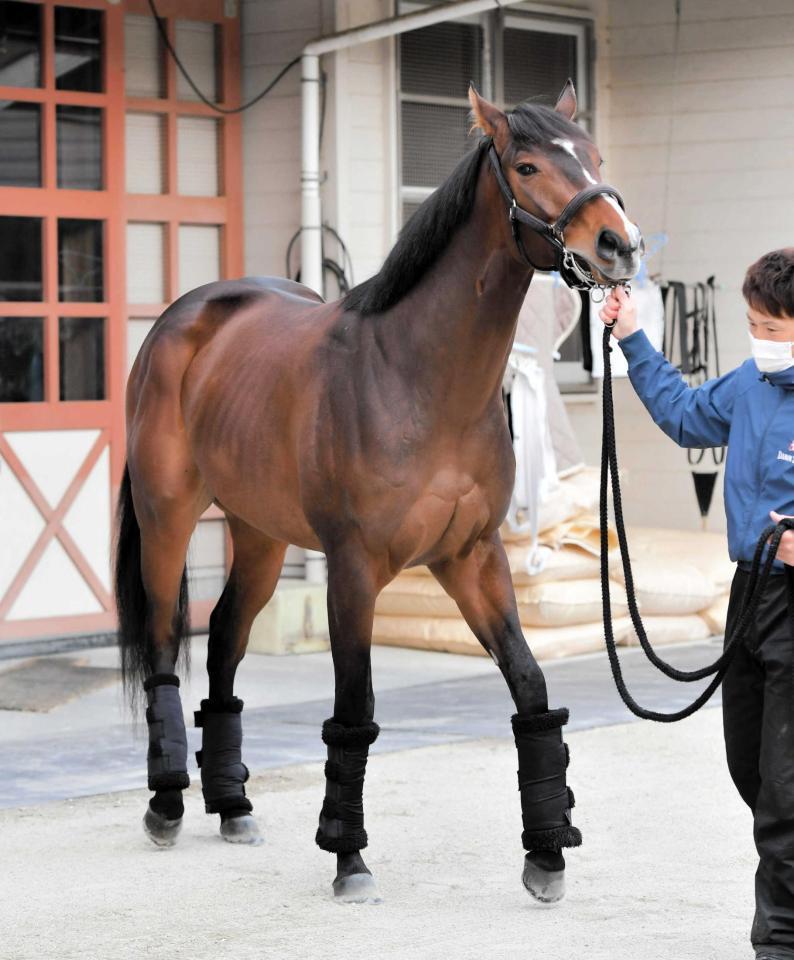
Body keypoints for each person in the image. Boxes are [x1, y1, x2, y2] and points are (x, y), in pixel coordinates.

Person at [599, 248, 794, 960]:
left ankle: (777, 941)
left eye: (773, 329)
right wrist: (631, 337)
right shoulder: (750, 385)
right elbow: (684, 415)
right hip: (752, 594)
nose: (760, 341)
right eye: (753, 326)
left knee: (785, 794)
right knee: (751, 768)